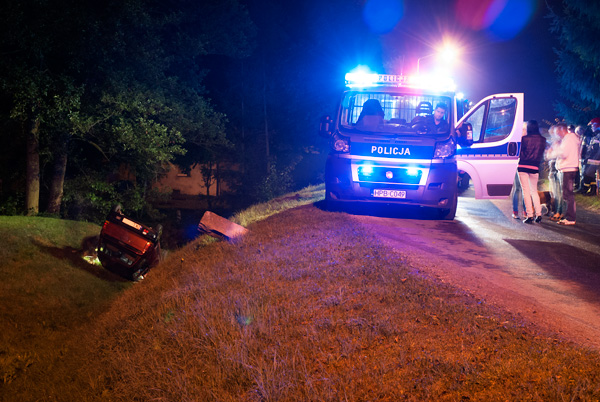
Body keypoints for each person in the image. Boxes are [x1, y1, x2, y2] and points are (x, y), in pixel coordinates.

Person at [546, 122, 581, 225]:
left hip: (568, 169)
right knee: (567, 194)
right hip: (568, 168)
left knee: (568, 194)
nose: (556, 134)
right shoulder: (570, 138)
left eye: (557, 131)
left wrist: (552, 153)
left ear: (562, 130)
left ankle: (570, 218)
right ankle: (569, 217)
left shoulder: (569, 139)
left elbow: (563, 153)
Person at [517, 120, 547, 224]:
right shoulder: (543, 140)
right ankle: (538, 214)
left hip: (523, 166)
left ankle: (529, 215)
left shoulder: (524, 139)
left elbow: (519, 152)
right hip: (535, 167)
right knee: (534, 191)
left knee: (526, 191)